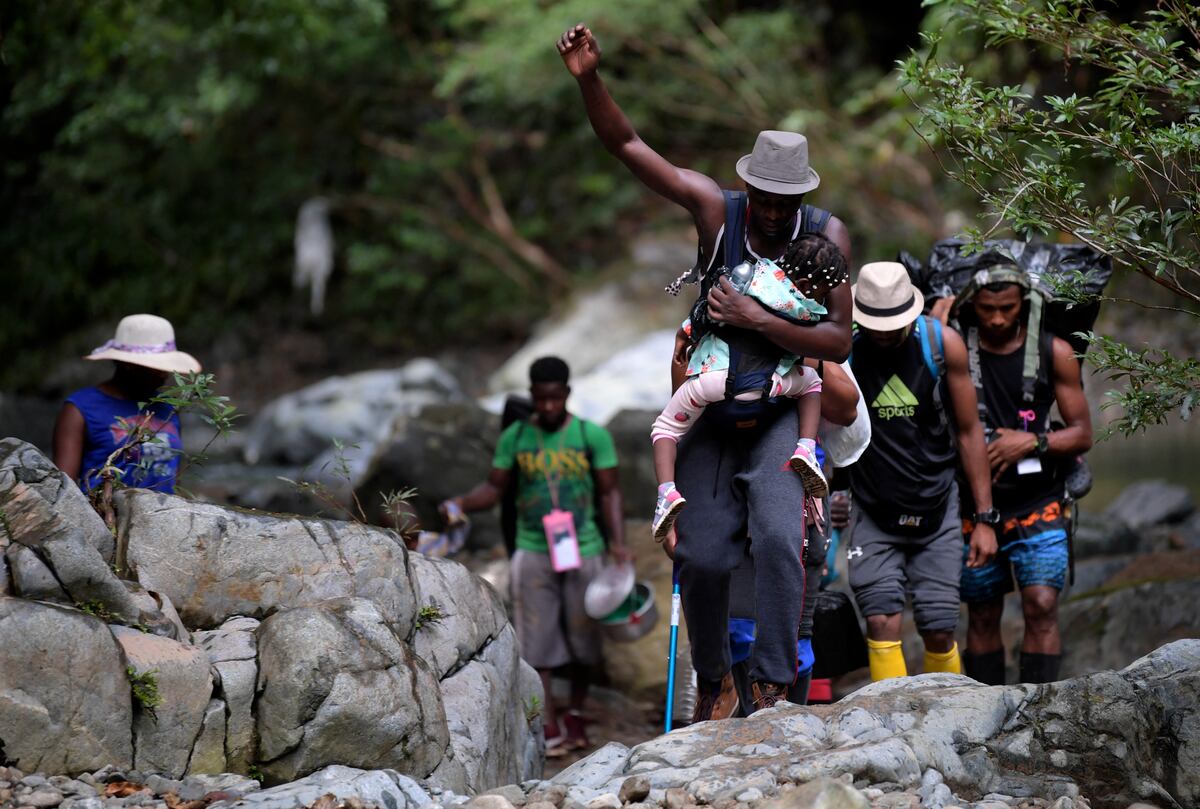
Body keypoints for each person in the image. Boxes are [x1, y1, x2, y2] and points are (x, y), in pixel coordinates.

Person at [559, 23, 854, 717]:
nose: (776, 213)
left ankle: (773, 684)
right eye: (766, 199)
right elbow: (628, 147)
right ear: (749, 185)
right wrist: (589, 81)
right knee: (701, 554)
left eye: (788, 202)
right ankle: (716, 677)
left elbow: (838, 339)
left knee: (784, 538)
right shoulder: (716, 214)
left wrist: (757, 320)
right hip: (714, 415)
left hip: (782, 412)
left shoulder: (825, 235)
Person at [440, 356, 630, 756]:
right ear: (531, 396)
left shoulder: (590, 436)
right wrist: (461, 502)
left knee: (584, 639)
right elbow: (494, 488)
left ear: (567, 394)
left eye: (555, 398)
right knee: (537, 641)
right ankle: (547, 721)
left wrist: (618, 545)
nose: (546, 407)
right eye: (540, 399)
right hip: (532, 549)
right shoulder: (516, 438)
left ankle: (575, 713)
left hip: (585, 548)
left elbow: (611, 492)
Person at [845, 262, 997, 681]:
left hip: (936, 504)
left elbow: (969, 431)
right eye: (876, 324)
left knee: (939, 625)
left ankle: (947, 720)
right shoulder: (845, 350)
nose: (886, 333)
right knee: (880, 620)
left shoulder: (941, 344)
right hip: (872, 505)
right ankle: (888, 729)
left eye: (894, 325)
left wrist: (984, 518)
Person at [651, 235, 851, 539]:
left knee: (665, 429)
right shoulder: (807, 310)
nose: (820, 298)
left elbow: (705, 310)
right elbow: (825, 341)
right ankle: (806, 448)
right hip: (771, 384)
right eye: (822, 291)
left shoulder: (748, 275)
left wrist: (684, 335)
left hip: (713, 379)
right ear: (808, 286)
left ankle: (666, 492)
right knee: (812, 384)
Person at [948, 269, 1093, 685]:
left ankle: (1044, 711)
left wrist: (1031, 442)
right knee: (983, 610)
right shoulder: (955, 349)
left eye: (1007, 308)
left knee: (1042, 603)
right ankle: (985, 711)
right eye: (988, 309)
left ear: (1025, 304)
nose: (996, 319)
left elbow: (1082, 433)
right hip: (972, 505)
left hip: (1039, 498)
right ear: (971, 305)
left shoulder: (1055, 351)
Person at [53, 314, 201, 494]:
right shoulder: (80, 409)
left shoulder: (167, 408)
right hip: (102, 517)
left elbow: (173, 479)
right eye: (156, 366)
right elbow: (63, 491)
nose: (164, 374)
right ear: (128, 364)